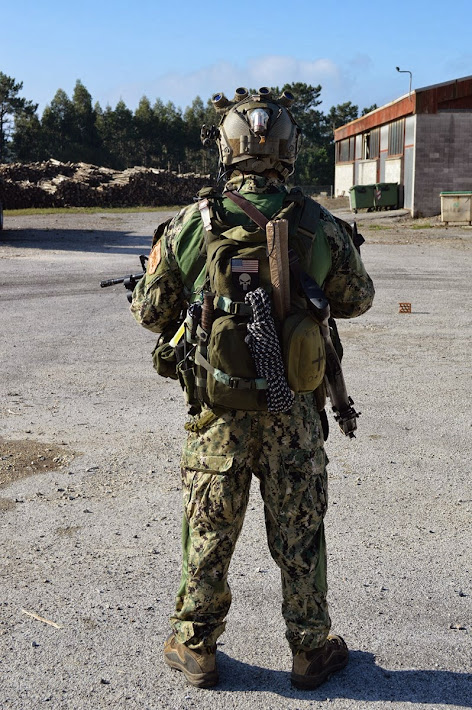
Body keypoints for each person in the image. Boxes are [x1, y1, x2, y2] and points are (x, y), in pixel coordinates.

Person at [130, 87, 374, 690]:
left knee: (210, 526)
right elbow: (359, 298)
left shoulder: (196, 221)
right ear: (291, 149)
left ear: (227, 147)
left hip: (218, 412)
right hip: (295, 411)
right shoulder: (319, 223)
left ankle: (197, 646)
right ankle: (310, 650)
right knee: (300, 528)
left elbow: (151, 310)